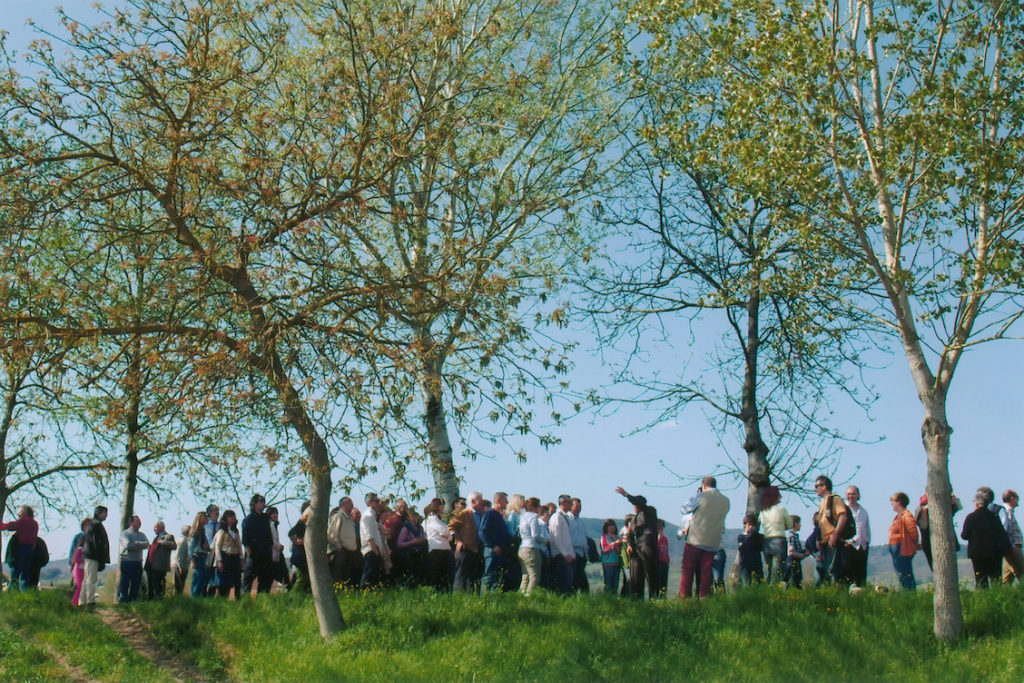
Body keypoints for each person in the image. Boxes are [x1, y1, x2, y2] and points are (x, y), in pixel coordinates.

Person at [678, 477, 730, 599]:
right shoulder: (726, 500)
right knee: (706, 571)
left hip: (696, 539)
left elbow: (684, 509)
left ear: (704, 486)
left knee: (688, 570)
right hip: (713, 541)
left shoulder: (701, 496)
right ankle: (704, 598)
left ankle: (684, 597)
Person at [615, 486, 661, 599]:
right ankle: (637, 599)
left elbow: (638, 502)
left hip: (647, 545)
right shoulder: (634, 519)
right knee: (636, 577)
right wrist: (630, 544)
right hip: (636, 548)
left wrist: (626, 494)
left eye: (636, 504)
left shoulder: (649, 511)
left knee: (651, 575)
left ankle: (654, 598)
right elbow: (629, 533)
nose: (634, 506)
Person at [961, 491, 1010, 588]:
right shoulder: (994, 517)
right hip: (994, 554)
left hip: (977, 555)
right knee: (996, 580)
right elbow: (1002, 534)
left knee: (981, 581)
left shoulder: (970, 517)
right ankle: (996, 599)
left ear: (976, 504)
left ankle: (983, 599)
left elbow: (964, 536)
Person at [474, 491, 512, 592]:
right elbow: (482, 532)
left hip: (498, 550)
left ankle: (492, 598)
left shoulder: (498, 515)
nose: (507, 503)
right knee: (489, 575)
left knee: (495, 577)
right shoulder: (490, 514)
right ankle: (484, 599)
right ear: (499, 501)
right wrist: (492, 545)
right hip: (492, 551)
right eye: (505, 501)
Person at [813, 475, 849, 584]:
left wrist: (835, 534)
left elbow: (843, 516)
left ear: (824, 486)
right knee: (824, 572)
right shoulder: (822, 503)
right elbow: (820, 523)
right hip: (824, 542)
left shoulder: (835, 499)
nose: (815, 489)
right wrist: (818, 539)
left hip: (833, 541)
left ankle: (836, 596)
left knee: (834, 572)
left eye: (817, 486)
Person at [916, 492, 962, 570]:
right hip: (929, 542)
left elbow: (958, 507)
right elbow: (923, 526)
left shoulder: (945, 507)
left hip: (941, 542)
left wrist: (953, 497)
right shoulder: (922, 509)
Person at [0, 505, 39, 591]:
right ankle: (25, 594)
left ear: (25, 512)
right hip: (31, 550)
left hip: (21, 549)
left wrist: (2, 525)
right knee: (25, 575)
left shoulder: (23, 521)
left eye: (21, 511)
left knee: (15, 574)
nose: (19, 512)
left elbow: (9, 526)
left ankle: (12, 593)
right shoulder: (35, 523)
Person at [241, 494, 274, 594]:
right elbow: (245, 538)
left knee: (265, 580)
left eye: (264, 501)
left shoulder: (265, 518)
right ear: (254, 503)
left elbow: (269, 535)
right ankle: (245, 603)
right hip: (254, 554)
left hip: (265, 554)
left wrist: (270, 548)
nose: (263, 503)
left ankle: (262, 601)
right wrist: (249, 552)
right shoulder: (248, 519)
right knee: (248, 581)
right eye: (261, 501)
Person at [758, 486, 791, 584]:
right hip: (779, 540)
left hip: (767, 541)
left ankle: (769, 587)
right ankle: (777, 588)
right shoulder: (782, 509)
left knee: (769, 568)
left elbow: (761, 524)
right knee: (778, 569)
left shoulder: (763, 511)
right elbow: (790, 524)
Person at [449, 496, 482, 592]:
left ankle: (469, 598)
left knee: (470, 576)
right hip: (464, 549)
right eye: (480, 501)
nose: (481, 503)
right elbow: (451, 527)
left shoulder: (478, 514)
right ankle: (458, 598)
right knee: (460, 575)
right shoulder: (465, 513)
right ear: (473, 501)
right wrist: (459, 541)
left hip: (474, 549)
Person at [887, 492, 919, 590]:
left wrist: (913, 545)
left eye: (893, 501)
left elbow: (913, 533)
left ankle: (910, 594)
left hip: (902, 549)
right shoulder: (899, 516)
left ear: (899, 502)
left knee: (905, 574)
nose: (891, 504)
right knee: (901, 574)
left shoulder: (906, 516)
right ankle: (907, 592)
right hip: (896, 548)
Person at [328, 496, 362, 587]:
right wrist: (339, 547)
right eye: (350, 503)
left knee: (347, 575)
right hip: (341, 552)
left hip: (350, 552)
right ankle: (338, 592)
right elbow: (332, 534)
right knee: (339, 574)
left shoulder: (348, 518)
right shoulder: (338, 516)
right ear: (344, 504)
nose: (352, 505)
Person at [547, 494, 576, 595]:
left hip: (566, 555)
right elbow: (555, 538)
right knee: (564, 581)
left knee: (569, 580)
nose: (571, 504)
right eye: (569, 502)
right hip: (560, 555)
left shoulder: (564, 517)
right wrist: (565, 554)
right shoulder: (556, 517)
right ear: (562, 503)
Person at [359, 492, 389, 589]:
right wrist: (375, 549)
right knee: (368, 574)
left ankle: (370, 594)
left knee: (373, 575)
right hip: (371, 549)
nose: (378, 503)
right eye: (376, 501)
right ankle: (363, 593)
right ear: (369, 502)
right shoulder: (368, 515)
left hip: (375, 548)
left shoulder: (373, 515)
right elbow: (369, 535)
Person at [844, 485, 871, 587]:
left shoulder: (863, 511)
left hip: (862, 547)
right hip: (847, 546)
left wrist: (867, 542)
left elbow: (866, 529)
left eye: (854, 494)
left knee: (861, 575)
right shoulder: (843, 510)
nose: (851, 496)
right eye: (849, 494)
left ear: (858, 495)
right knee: (848, 575)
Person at [117, 515, 149, 603]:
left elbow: (146, 544)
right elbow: (127, 545)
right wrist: (139, 545)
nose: (140, 523)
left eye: (140, 522)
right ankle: (123, 601)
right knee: (125, 581)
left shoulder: (142, 535)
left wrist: (135, 544)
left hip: (138, 562)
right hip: (127, 561)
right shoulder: (125, 534)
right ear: (131, 523)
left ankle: (133, 600)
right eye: (137, 521)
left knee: (136, 582)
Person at [516, 498, 544, 595]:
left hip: (522, 547)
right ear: (535, 507)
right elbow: (535, 535)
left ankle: (521, 595)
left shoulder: (522, 517)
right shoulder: (533, 517)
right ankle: (529, 597)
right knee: (534, 576)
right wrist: (545, 541)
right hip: (532, 548)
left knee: (525, 576)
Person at [422, 500, 452, 591]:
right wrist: (449, 536)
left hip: (437, 549)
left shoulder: (429, 520)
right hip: (438, 550)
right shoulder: (433, 518)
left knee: (438, 575)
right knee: (440, 575)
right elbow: (445, 532)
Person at [214, 510, 243, 598]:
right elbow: (217, 546)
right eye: (230, 517)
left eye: (233, 516)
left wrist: (241, 557)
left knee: (236, 580)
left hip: (235, 557)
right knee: (224, 582)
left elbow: (239, 545)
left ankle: (238, 599)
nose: (232, 519)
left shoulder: (236, 531)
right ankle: (222, 598)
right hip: (225, 556)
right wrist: (219, 561)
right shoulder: (222, 531)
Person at [145, 521, 177, 599]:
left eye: (156, 527)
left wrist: (162, 542)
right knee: (150, 583)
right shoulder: (155, 538)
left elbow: (174, 546)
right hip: (150, 564)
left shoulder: (168, 536)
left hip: (160, 566)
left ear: (161, 527)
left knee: (158, 584)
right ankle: (150, 599)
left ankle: (159, 599)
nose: (154, 529)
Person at [998, 490, 1024, 584]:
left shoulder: (1007, 511)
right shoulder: (1007, 511)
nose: (1018, 500)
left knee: (1006, 579)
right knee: (1022, 574)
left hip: (1009, 549)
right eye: (1017, 497)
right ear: (1012, 498)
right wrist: (1013, 545)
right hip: (1013, 549)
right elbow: (1007, 530)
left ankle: (1003, 595)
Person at [568, 497, 590, 594]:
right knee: (576, 581)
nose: (578, 509)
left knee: (582, 583)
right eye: (576, 506)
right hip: (573, 553)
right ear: (570, 506)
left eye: (580, 507)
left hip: (582, 554)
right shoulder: (567, 519)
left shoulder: (581, 521)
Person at [289, 503, 311, 592]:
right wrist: (297, 541)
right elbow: (291, 533)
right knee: (301, 577)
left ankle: (299, 595)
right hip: (299, 555)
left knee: (304, 577)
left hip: (304, 554)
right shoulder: (302, 522)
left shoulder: (310, 524)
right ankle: (293, 596)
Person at [188, 511, 212, 597]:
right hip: (198, 557)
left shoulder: (202, 531)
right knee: (198, 580)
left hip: (203, 556)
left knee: (201, 580)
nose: (207, 520)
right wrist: (192, 560)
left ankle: (196, 598)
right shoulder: (196, 531)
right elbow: (191, 547)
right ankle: (194, 599)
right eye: (205, 518)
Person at [737, 514, 764, 585]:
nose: (751, 527)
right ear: (744, 525)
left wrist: (754, 535)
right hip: (745, 564)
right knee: (745, 584)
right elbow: (742, 548)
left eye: (752, 525)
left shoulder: (758, 537)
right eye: (749, 525)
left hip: (756, 563)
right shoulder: (741, 537)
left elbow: (760, 547)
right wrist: (750, 536)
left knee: (759, 584)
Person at [598, 518, 622, 595]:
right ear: (606, 528)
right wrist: (614, 544)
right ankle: (608, 599)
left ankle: (614, 600)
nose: (612, 527)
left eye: (613, 525)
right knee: (608, 585)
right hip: (608, 563)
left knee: (615, 585)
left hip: (616, 563)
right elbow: (604, 549)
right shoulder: (604, 537)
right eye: (609, 526)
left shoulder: (617, 537)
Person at [785, 515, 808, 589]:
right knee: (795, 583)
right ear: (795, 524)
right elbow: (791, 552)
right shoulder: (791, 536)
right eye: (799, 523)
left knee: (797, 583)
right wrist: (803, 555)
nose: (800, 525)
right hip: (792, 563)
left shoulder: (794, 536)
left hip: (795, 563)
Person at [172, 524, 191, 595]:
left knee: (179, 586)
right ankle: (177, 601)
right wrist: (180, 567)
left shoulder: (182, 539)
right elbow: (180, 555)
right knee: (179, 586)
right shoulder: (184, 540)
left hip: (179, 565)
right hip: (180, 566)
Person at [71, 534, 86, 606]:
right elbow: (75, 559)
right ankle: (75, 601)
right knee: (79, 586)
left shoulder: (84, 550)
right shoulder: (80, 549)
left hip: (82, 569)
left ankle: (78, 601)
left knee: (82, 586)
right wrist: (83, 560)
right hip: (78, 569)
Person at [656, 520, 670, 597]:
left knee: (664, 583)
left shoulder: (665, 539)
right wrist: (658, 538)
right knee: (658, 583)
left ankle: (663, 597)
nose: (661, 529)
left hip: (665, 563)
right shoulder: (654, 539)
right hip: (658, 563)